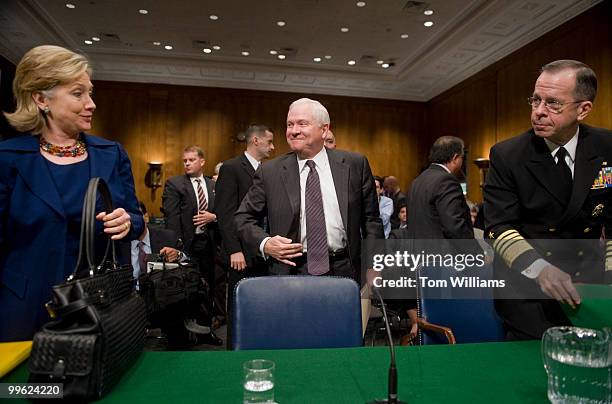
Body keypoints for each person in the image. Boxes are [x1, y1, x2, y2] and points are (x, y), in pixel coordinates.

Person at [0, 45, 143, 342]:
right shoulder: (8, 159)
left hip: (100, 307)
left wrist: (128, 221)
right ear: (41, 99)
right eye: (78, 93)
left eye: (90, 92)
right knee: (26, 390)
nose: (91, 103)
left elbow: (137, 220)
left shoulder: (111, 154)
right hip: (26, 310)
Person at [484, 59, 612, 340]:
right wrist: (540, 269)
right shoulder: (508, 155)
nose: (539, 112)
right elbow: (498, 228)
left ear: (583, 109)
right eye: (536, 100)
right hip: (528, 292)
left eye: (553, 103)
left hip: (589, 288)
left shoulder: (606, 146)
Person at [235, 98, 383, 281]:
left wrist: (374, 264)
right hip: (290, 271)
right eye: (290, 124)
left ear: (324, 129)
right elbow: (243, 217)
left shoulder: (354, 165)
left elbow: (371, 220)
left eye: (302, 124)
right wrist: (265, 243)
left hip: (345, 269)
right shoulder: (270, 172)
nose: (294, 131)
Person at [215, 124, 274, 346]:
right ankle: (235, 350)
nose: (273, 146)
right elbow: (225, 213)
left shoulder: (267, 169)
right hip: (241, 252)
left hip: (262, 248)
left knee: (260, 305)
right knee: (239, 306)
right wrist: (234, 250)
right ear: (255, 141)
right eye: (269, 141)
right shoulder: (231, 168)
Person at [161, 145, 222, 346]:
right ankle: (184, 334)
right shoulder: (175, 184)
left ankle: (206, 331)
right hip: (186, 246)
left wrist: (214, 217)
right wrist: (176, 247)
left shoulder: (213, 185)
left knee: (208, 289)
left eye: (191, 160)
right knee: (186, 290)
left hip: (209, 246)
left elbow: (225, 212)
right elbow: (171, 219)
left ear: (202, 162)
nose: (187, 163)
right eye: (185, 160)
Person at [407, 136, 476, 241]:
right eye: (462, 157)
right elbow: (454, 226)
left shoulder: (417, 181)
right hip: (443, 254)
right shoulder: (446, 181)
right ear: (455, 158)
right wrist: (476, 253)